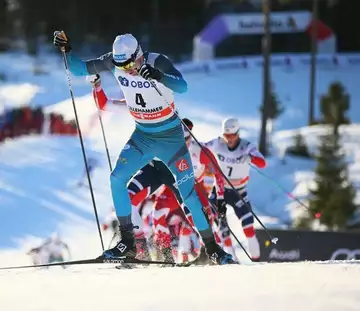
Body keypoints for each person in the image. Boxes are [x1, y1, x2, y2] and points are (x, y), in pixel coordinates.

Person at [53, 32, 233, 264]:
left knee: (188, 195)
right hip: (143, 136)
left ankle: (213, 249)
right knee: (117, 179)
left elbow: (183, 86)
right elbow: (80, 69)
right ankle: (128, 244)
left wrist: (159, 76)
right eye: (120, 64)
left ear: (138, 55)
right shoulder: (115, 60)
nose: (125, 68)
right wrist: (67, 51)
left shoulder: (156, 61)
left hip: (171, 139)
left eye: (129, 63)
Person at [205, 117, 266, 261]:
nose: (229, 139)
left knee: (248, 227)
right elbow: (200, 147)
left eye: (232, 136)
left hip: (239, 191)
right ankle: (231, 260)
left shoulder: (247, 146)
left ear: (238, 133)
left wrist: (250, 158)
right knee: (221, 227)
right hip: (219, 190)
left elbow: (262, 163)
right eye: (226, 136)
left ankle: (256, 261)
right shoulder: (218, 143)